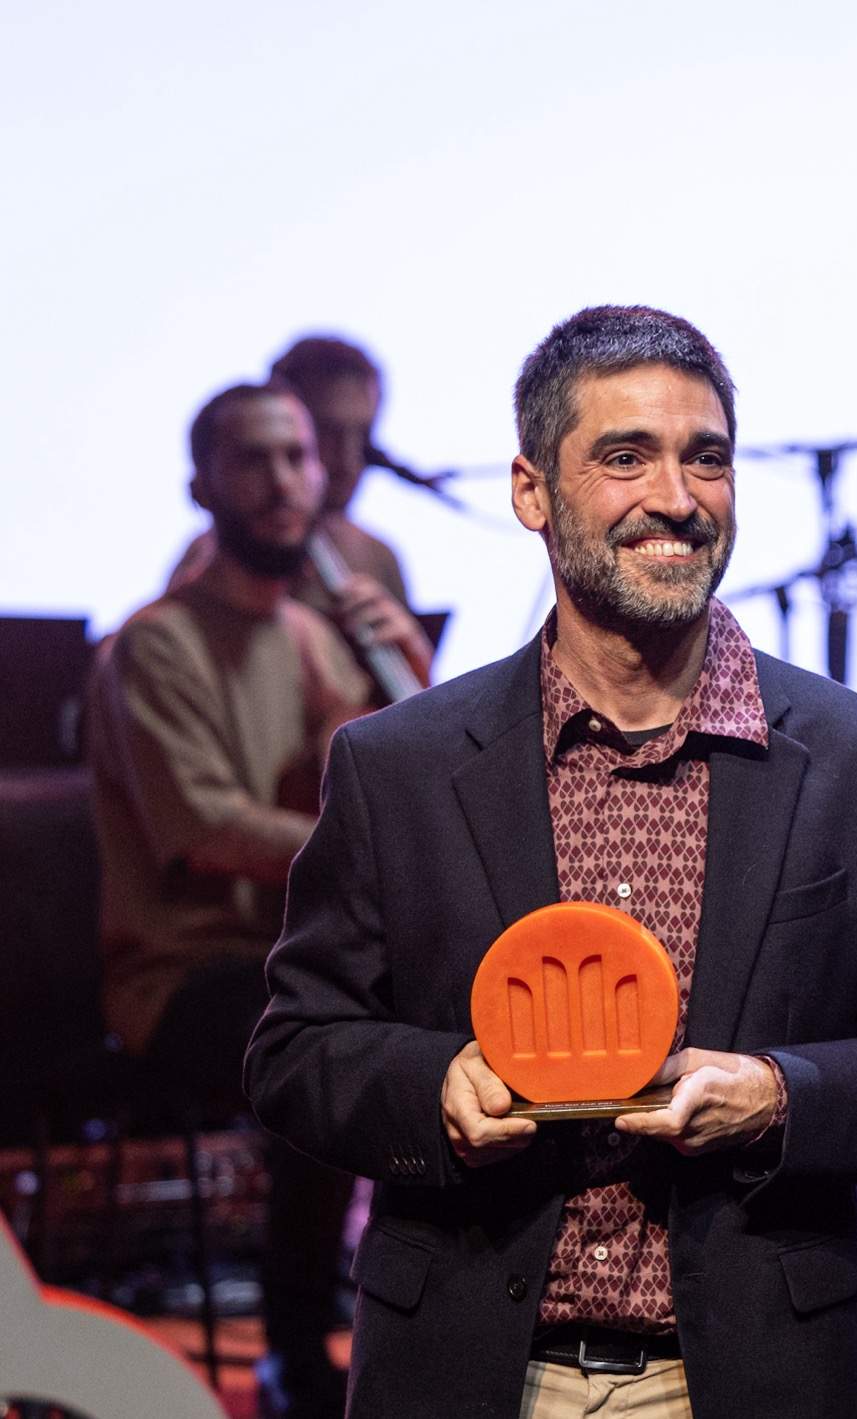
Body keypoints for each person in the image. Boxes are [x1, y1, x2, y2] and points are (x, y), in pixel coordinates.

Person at [244, 305, 857, 1418]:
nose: (677, 498)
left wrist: (778, 1096)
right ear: (530, 492)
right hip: (475, 1372)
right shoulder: (396, 767)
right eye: (624, 457)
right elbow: (295, 1053)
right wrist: (432, 1087)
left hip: (753, 1377)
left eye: (707, 458)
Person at [88, 382, 375, 1417]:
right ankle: (301, 1357)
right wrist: (370, 851)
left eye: (297, 458)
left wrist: (402, 658)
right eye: (255, 460)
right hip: (181, 973)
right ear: (201, 485)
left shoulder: (312, 633)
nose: (285, 483)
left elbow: (403, 773)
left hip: (296, 955)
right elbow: (204, 827)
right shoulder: (154, 643)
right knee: (330, 1033)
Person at [170, 335, 434, 701]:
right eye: (326, 433)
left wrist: (417, 672)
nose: (346, 459)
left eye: (362, 435)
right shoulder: (214, 561)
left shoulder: (377, 556)